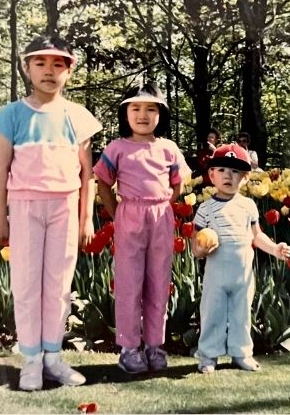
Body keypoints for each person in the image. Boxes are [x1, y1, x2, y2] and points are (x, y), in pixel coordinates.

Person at [0, 35, 102, 391]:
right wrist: (0, 216)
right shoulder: (11, 116)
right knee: (26, 283)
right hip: (24, 207)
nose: (49, 71)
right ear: (27, 68)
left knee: (58, 285)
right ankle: (31, 360)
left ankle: (53, 356)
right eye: (40, 63)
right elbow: (0, 171)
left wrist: (86, 218)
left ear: (68, 71)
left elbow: (88, 175)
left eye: (58, 64)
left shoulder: (79, 117)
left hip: (64, 207)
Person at [93, 82, 190, 374]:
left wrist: (161, 206)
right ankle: (129, 348)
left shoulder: (168, 149)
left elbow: (178, 185)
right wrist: (119, 212)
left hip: (160, 215)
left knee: (159, 281)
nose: (143, 115)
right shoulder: (117, 147)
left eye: (151, 108)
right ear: (126, 113)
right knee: (129, 282)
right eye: (135, 108)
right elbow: (103, 184)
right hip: (129, 214)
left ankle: (154, 345)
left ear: (161, 114)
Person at [191, 143, 290, 373]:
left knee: (242, 314)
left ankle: (241, 353)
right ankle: (208, 356)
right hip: (216, 273)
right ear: (211, 175)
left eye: (235, 171)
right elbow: (196, 244)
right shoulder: (205, 209)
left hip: (243, 273)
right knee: (212, 313)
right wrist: (200, 250)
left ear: (245, 178)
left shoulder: (248, 206)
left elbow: (257, 236)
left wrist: (275, 248)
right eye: (222, 170)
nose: (228, 175)